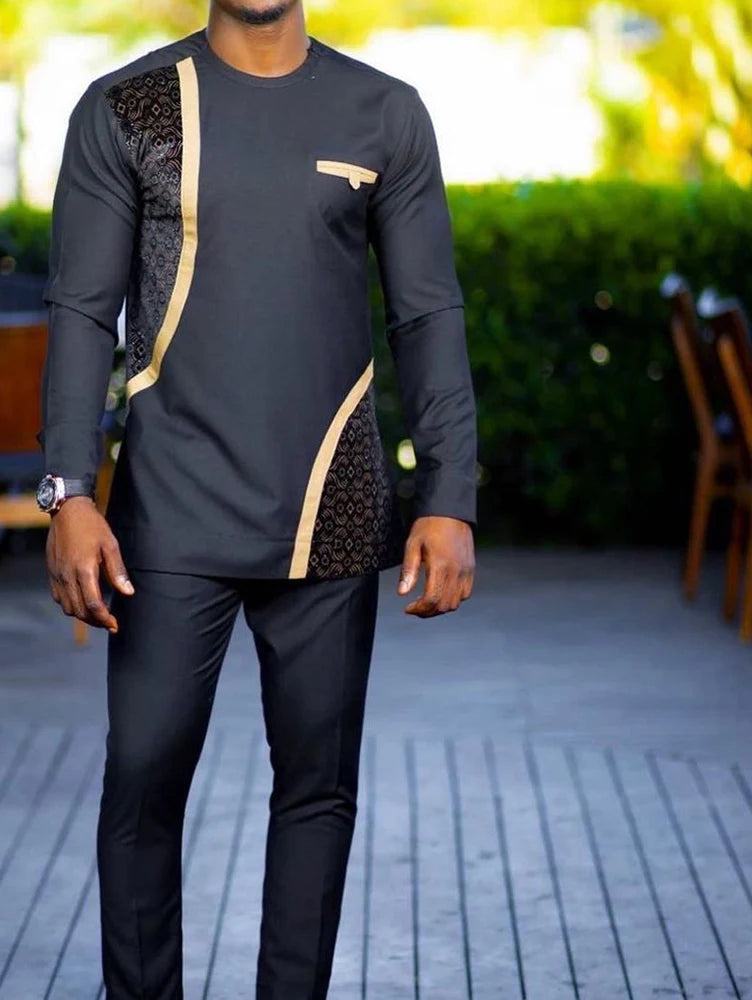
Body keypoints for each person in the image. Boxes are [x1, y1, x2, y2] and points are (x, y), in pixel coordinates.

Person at [35, 2, 477, 996]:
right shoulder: (127, 107)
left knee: (318, 795)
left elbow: (427, 313)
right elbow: (81, 312)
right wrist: (69, 489)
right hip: (167, 515)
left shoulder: (385, 113)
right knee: (141, 788)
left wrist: (449, 494)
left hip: (331, 508)